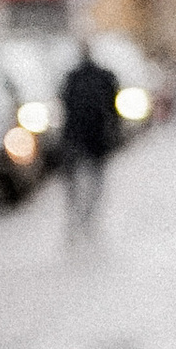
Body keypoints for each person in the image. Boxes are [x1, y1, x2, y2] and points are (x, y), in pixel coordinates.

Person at [57, 43, 123, 239]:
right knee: (95, 178)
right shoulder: (104, 77)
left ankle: (78, 212)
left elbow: (64, 104)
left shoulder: (71, 77)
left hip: (75, 135)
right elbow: (113, 108)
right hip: (95, 135)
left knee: (75, 179)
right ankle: (87, 214)